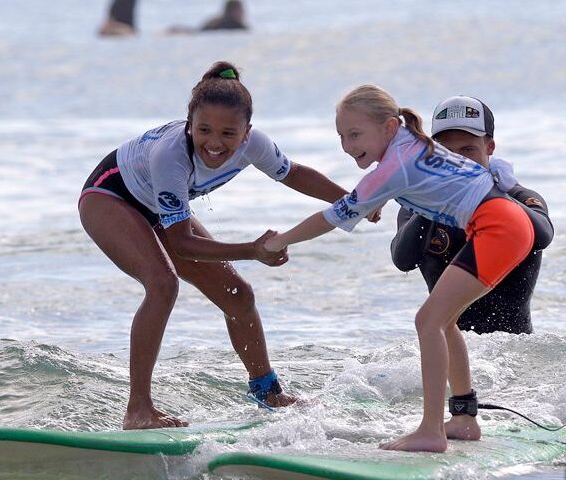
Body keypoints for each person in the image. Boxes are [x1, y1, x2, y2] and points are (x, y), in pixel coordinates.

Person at [78, 61, 375, 430]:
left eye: (227, 133)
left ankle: (267, 392)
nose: (214, 143)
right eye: (203, 130)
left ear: (246, 133)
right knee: (162, 284)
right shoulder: (170, 157)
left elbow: (293, 173)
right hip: (110, 197)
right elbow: (183, 243)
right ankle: (138, 409)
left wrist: (351, 199)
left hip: (156, 207)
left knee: (238, 294)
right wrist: (252, 249)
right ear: (189, 124)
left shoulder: (256, 145)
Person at [263, 84, 537, 452]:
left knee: (428, 321)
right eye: (341, 136)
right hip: (504, 223)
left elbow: (330, 217)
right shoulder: (409, 141)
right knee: (444, 321)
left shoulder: (393, 166)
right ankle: (463, 419)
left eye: (355, 134)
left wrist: (280, 241)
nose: (346, 145)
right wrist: (375, 198)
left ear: (390, 127)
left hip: (498, 226)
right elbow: (420, 182)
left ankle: (430, 432)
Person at [389, 96, 553, 334]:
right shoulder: (418, 205)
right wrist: (433, 204)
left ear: (490, 147)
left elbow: (543, 236)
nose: (458, 162)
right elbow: (403, 260)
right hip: (451, 348)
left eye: (467, 150)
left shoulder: (517, 197)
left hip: (516, 351)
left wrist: (489, 193)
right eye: (447, 151)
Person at [168, 0, 248, 34]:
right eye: (240, 9)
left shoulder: (218, 20)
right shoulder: (232, 24)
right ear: (232, 11)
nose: (243, 12)